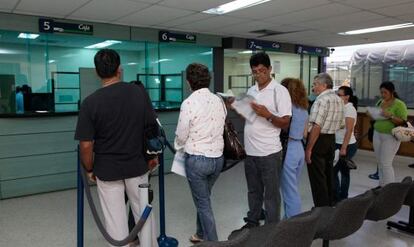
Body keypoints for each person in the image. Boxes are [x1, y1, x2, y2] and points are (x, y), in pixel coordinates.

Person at [75, 49, 158, 247]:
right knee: (143, 214)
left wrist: (89, 168)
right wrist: (152, 157)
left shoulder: (90, 103)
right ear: (119, 70)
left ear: (97, 72)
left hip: (107, 169)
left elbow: (86, 144)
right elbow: (151, 127)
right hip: (137, 166)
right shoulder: (139, 93)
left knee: (115, 220)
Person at [237, 52, 292, 229]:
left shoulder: (280, 91)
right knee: (254, 191)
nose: (259, 75)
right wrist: (239, 107)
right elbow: (249, 117)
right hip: (250, 151)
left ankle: (271, 228)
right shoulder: (251, 90)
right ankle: (252, 221)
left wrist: (268, 115)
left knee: (271, 194)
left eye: (262, 71)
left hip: (269, 152)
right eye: (255, 72)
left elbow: (285, 122)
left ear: (269, 69)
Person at [174, 63, 226, 243]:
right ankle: (201, 233)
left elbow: (181, 135)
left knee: (203, 203)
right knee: (203, 197)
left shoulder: (189, 103)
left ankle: (213, 243)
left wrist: (178, 144)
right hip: (218, 160)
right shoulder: (219, 100)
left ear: (189, 82)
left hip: (197, 161)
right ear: (208, 80)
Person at [306, 73, 344, 207]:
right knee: (328, 173)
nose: (313, 87)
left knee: (317, 177)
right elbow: (341, 124)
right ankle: (329, 204)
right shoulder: (338, 99)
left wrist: (309, 149)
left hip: (319, 140)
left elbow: (317, 126)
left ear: (324, 85)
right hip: (331, 139)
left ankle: (320, 208)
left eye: (315, 84)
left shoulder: (321, 100)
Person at [280, 78, 308, 218]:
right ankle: (287, 218)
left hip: (288, 149)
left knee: (290, 191)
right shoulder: (303, 109)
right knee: (292, 187)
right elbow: (304, 133)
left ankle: (293, 224)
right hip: (299, 149)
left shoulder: (287, 109)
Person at [370, 81, 408, 186]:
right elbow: (376, 116)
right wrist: (371, 113)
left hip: (391, 136)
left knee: (386, 163)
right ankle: (382, 185)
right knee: (380, 162)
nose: (382, 95)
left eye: (385, 92)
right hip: (377, 134)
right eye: (381, 92)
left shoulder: (399, 104)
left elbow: (403, 121)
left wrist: (390, 116)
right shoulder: (380, 102)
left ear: (392, 92)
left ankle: (389, 189)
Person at [334, 86, 358, 202]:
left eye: (340, 95)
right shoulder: (340, 107)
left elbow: (349, 130)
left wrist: (343, 148)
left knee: (343, 172)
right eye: (337, 94)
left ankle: (343, 197)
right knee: (333, 171)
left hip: (347, 145)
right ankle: (337, 195)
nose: (337, 97)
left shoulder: (350, 109)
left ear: (347, 97)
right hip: (337, 143)